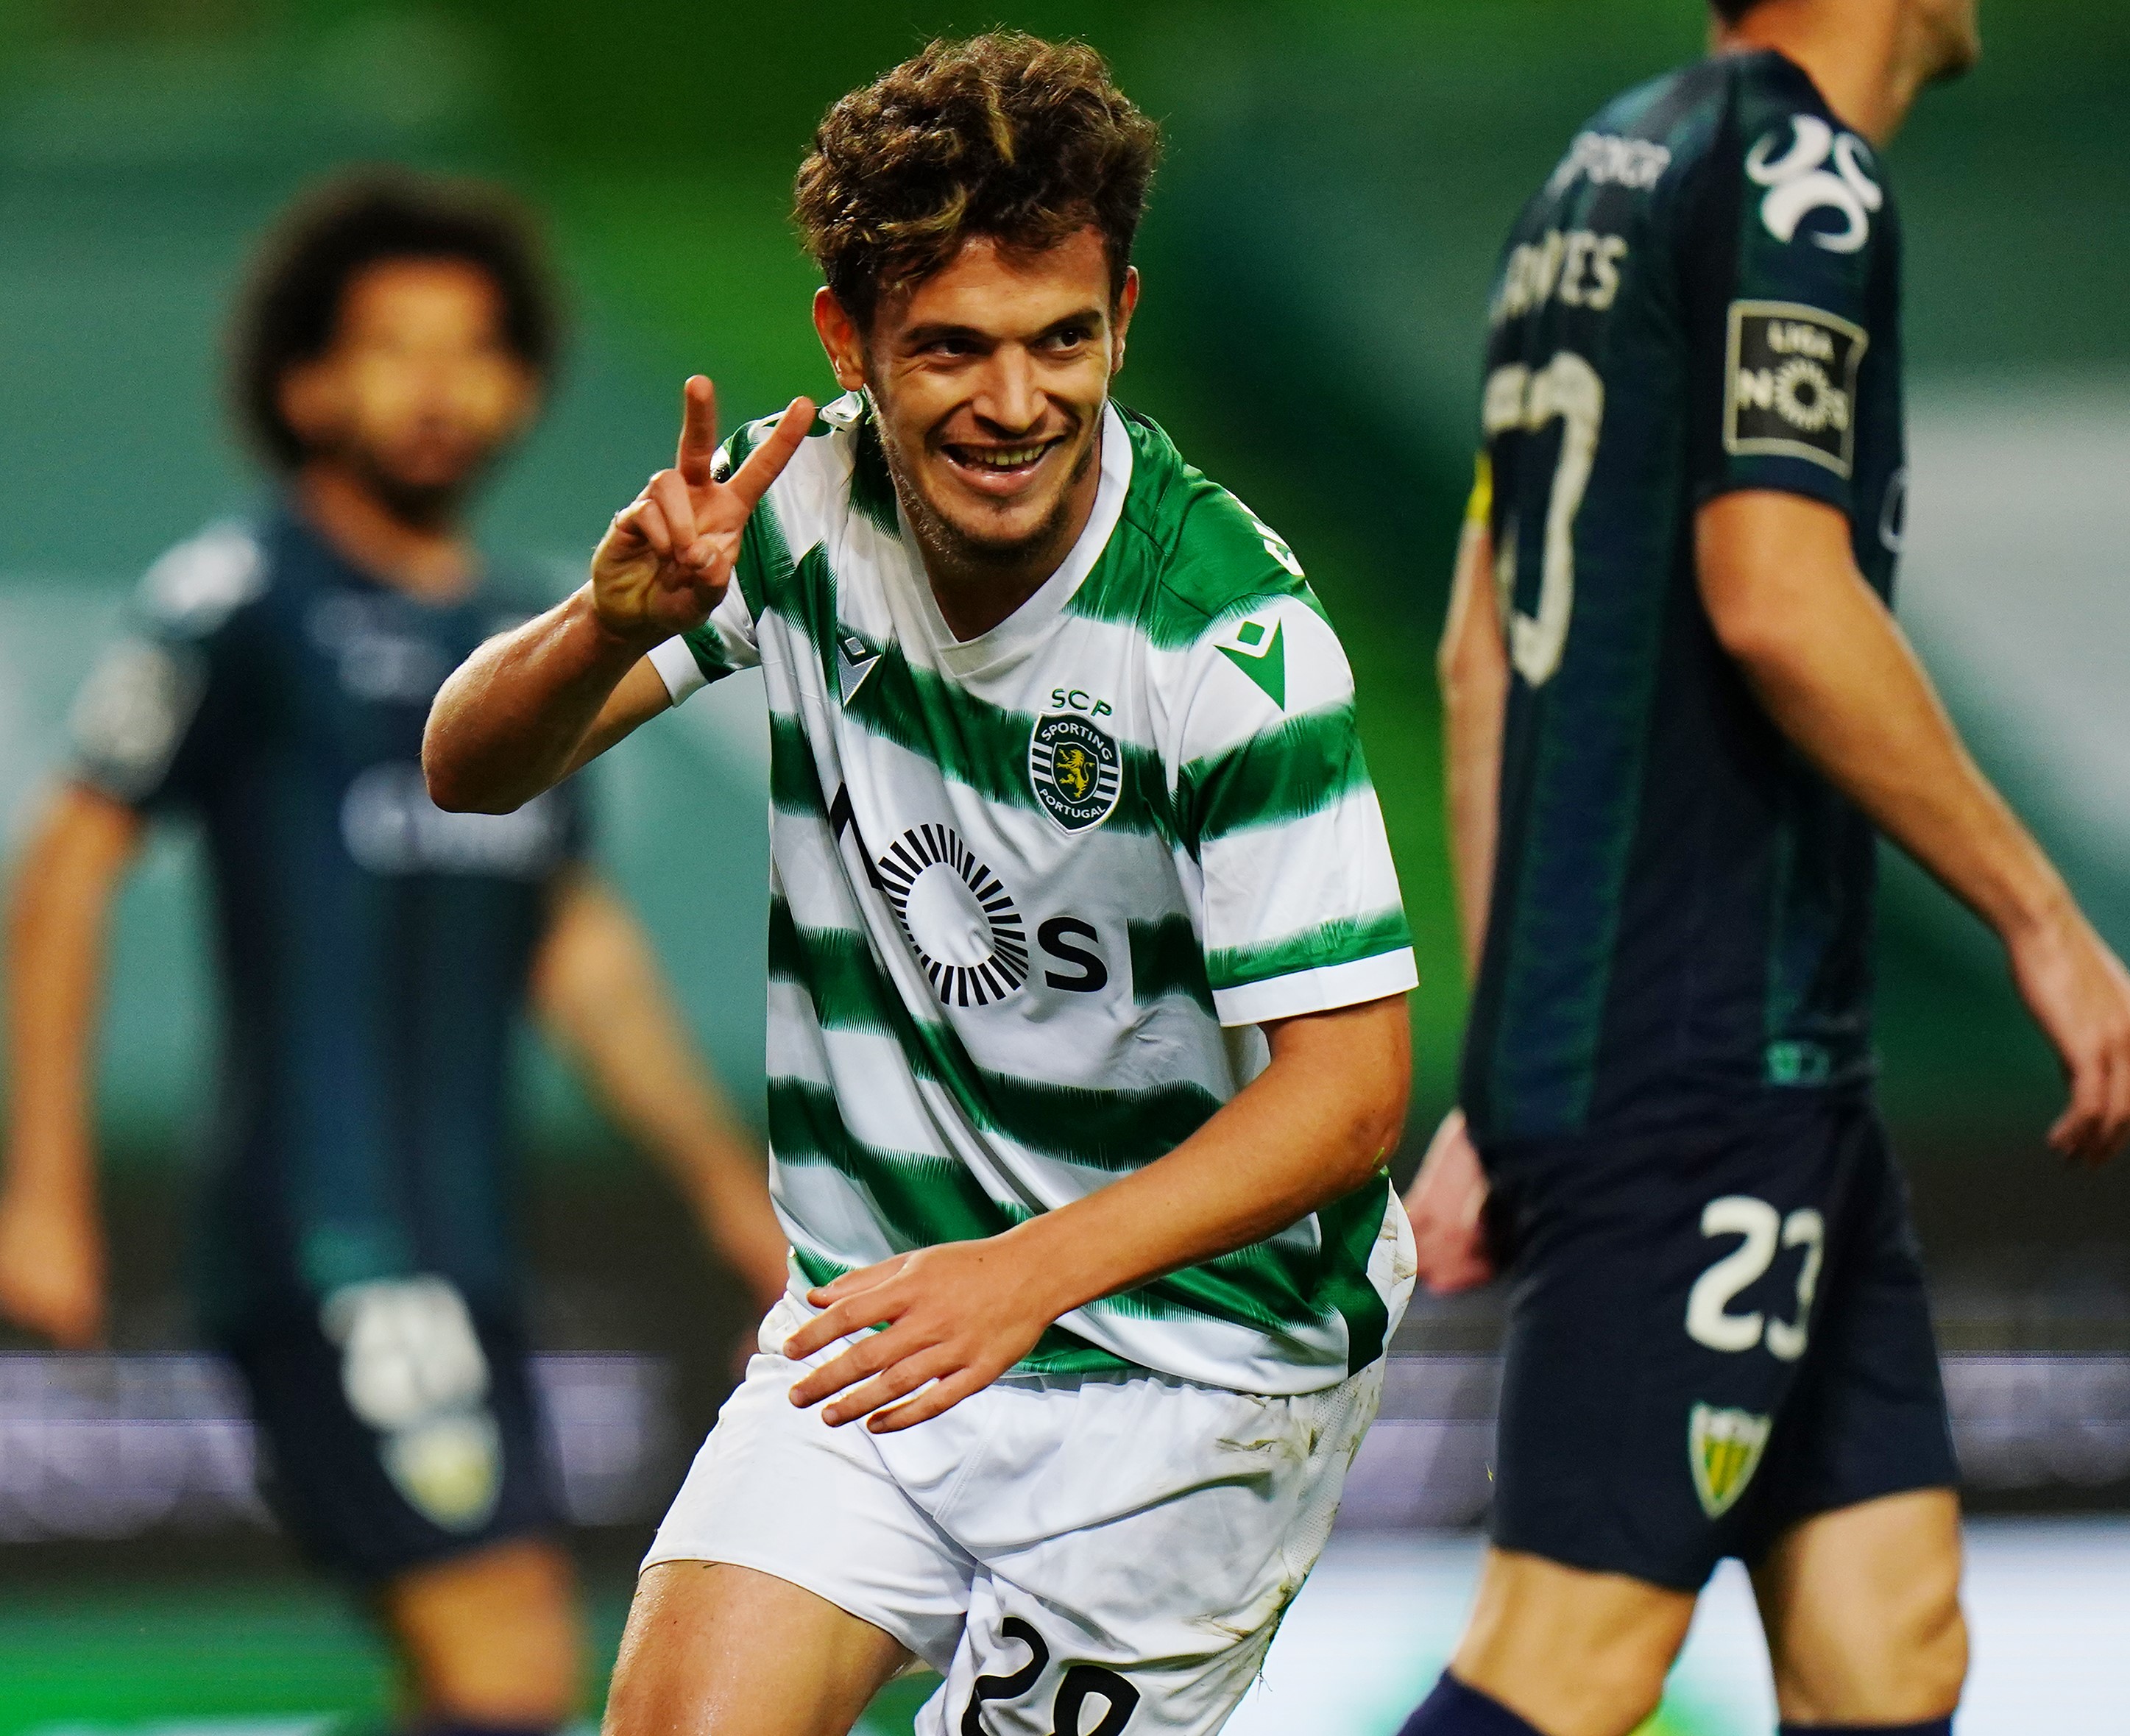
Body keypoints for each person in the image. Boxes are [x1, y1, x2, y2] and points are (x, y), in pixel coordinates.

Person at [422, 32, 1420, 1736]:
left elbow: (1347, 1099)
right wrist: (604, 625)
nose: (1012, 406)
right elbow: (467, 766)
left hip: (1193, 1382)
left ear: (1122, 311)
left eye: (1061, 342)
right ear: (846, 338)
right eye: (950, 350)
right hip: (885, 1318)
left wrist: (1023, 1273)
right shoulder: (790, 497)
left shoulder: (1229, 642)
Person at [1396, 2, 2130, 1734]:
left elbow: (1474, 651)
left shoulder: (1598, 170)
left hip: (1736, 1067)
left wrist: (1506, 1066)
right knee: (1566, 1657)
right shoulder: (1801, 176)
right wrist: (2037, 915)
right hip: (1700, 1060)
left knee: (1889, 1644)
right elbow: (1775, 589)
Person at [0, 172, 786, 1736]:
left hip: (468, 1244)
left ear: (521, 384)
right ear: (304, 383)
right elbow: (71, 862)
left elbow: (572, 944)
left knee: (490, 1678)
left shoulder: (526, 641)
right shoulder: (240, 600)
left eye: (472, 349)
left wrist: (725, 1199)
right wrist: (44, 1189)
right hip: (325, 1232)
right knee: (506, 1670)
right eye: (388, 347)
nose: (436, 387)